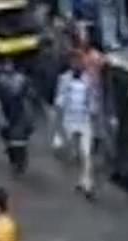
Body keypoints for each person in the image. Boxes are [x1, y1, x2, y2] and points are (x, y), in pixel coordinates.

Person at [54, 60, 97, 199]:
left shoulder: (89, 80)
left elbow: (93, 99)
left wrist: (92, 110)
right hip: (70, 121)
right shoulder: (64, 79)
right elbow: (58, 101)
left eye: (80, 66)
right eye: (75, 65)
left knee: (87, 153)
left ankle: (88, 184)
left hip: (84, 121)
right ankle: (81, 179)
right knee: (76, 154)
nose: (78, 68)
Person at [0, 60, 36, 173]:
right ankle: (16, 161)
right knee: (12, 141)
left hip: (18, 114)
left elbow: (29, 99)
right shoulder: (1, 80)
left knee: (18, 141)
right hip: (10, 113)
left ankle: (19, 161)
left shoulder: (20, 80)